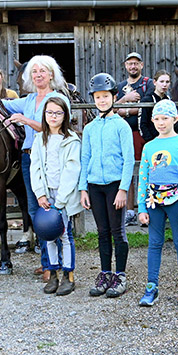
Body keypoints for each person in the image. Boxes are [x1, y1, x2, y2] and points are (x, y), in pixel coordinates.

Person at [2, 56, 71, 280]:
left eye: (43, 71)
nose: (38, 75)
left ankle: (61, 259)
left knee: (56, 207)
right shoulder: (28, 100)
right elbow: (3, 104)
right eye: (34, 72)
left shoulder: (58, 99)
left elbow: (56, 127)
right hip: (29, 158)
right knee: (35, 210)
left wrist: (27, 121)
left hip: (53, 158)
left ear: (51, 74)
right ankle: (48, 263)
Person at [137, 99, 178, 308]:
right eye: (157, 118)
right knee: (154, 243)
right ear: (152, 120)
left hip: (177, 199)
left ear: (175, 118)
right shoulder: (149, 147)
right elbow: (143, 177)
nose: (161, 123)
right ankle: (151, 287)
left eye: (165, 118)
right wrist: (141, 206)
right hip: (154, 200)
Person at [79, 73, 135, 298]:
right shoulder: (90, 128)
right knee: (102, 232)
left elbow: (129, 159)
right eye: (98, 97)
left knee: (117, 231)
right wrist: (83, 188)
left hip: (114, 185)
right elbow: (85, 159)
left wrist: (123, 189)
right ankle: (105, 273)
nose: (101, 100)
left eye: (105, 96)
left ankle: (120, 275)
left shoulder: (121, 125)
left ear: (113, 97)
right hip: (94, 185)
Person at [30, 97, 82, 296]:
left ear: (65, 115)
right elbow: (35, 168)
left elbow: (72, 170)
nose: (53, 116)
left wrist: (60, 200)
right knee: (48, 235)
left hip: (63, 196)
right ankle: (52, 273)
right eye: (49, 112)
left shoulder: (71, 140)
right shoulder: (39, 139)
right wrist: (40, 194)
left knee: (65, 235)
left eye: (58, 113)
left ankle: (69, 276)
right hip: (46, 194)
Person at [115, 52, 154, 160]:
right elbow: (112, 108)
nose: (133, 67)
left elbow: (149, 107)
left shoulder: (148, 83)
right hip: (123, 135)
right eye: (130, 64)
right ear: (126, 65)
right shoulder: (120, 86)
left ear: (141, 65)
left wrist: (125, 112)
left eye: (136, 64)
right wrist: (125, 99)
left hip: (143, 133)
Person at [139, 70, 171, 143]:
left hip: (167, 140)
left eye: (167, 82)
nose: (164, 84)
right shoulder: (147, 100)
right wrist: (151, 141)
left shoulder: (169, 100)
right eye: (161, 81)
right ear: (155, 82)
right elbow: (142, 124)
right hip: (151, 141)